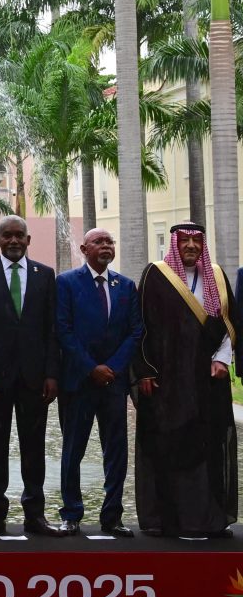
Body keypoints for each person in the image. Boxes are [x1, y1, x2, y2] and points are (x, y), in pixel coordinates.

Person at [134, 223, 237, 538]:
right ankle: (167, 520)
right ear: (175, 244)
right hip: (167, 382)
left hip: (208, 382)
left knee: (208, 444)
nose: (191, 246)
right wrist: (145, 370)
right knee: (170, 443)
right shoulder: (156, 275)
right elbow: (140, 325)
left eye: (196, 241)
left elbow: (230, 323)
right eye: (185, 241)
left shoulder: (216, 277)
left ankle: (209, 519)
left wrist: (222, 359)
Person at [0, 216, 62, 538]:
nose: (13, 241)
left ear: (28, 239)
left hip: (36, 378)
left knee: (34, 447)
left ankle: (35, 514)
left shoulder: (45, 275)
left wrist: (52, 373)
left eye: (19, 235)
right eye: (7, 236)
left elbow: (52, 329)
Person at [54, 228, 141, 537]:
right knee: (73, 450)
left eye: (109, 241)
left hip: (113, 384)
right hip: (79, 382)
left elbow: (135, 331)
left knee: (116, 450)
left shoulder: (126, 286)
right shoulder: (66, 283)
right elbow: (63, 330)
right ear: (84, 248)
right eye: (99, 242)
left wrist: (113, 368)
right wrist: (92, 368)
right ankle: (71, 513)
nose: (106, 246)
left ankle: (112, 516)